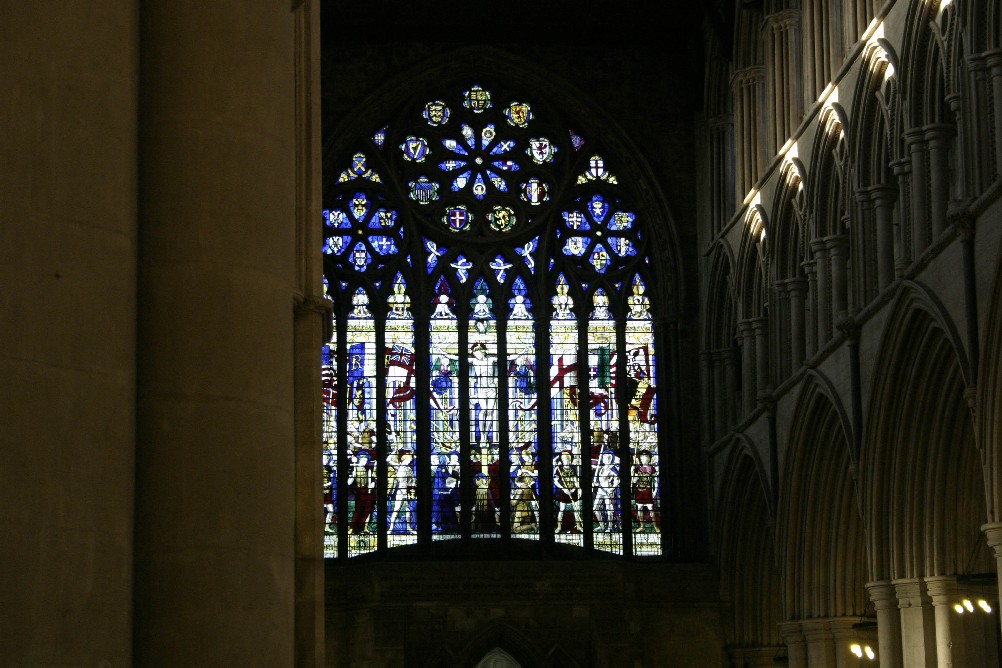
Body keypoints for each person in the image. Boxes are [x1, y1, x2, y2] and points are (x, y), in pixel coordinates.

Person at [387, 449, 416, 534]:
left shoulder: (410, 470)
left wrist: (411, 492)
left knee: (408, 510)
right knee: (396, 509)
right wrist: (393, 452)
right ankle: (390, 529)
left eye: (410, 460)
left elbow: (412, 482)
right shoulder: (397, 466)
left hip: (407, 492)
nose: (409, 461)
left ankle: (409, 528)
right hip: (400, 491)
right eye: (408, 459)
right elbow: (387, 460)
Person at [553, 449, 582, 533]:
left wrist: (575, 489)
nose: (567, 461)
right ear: (562, 460)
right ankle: (559, 527)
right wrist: (564, 489)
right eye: (565, 460)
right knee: (561, 510)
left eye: (568, 460)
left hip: (573, 491)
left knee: (576, 509)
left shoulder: (573, 469)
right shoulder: (559, 469)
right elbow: (556, 481)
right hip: (564, 492)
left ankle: (579, 526)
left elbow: (575, 481)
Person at [347, 450, 375, 534]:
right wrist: (353, 475)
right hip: (360, 492)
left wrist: (372, 485)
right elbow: (349, 482)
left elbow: (370, 481)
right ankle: (352, 528)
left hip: (368, 492)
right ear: (359, 459)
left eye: (366, 460)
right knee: (358, 510)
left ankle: (365, 527)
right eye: (363, 460)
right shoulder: (355, 468)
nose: (365, 462)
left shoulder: (368, 470)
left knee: (368, 510)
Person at [632, 450, 659, 533]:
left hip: (647, 490)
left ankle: (655, 526)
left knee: (650, 508)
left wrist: (655, 491)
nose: (643, 460)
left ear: (648, 459)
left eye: (645, 458)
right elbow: (634, 481)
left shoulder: (651, 468)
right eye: (642, 459)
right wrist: (632, 471)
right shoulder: (637, 469)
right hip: (639, 491)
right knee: (639, 508)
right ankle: (642, 526)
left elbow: (655, 480)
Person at [592, 449, 619, 533]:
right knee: (595, 508)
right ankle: (602, 526)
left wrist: (612, 488)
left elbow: (617, 480)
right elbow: (600, 480)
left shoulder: (612, 469)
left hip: (608, 490)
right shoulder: (601, 468)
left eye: (607, 458)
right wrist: (595, 483)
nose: (605, 459)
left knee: (609, 509)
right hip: (600, 490)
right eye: (604, 458)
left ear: (611, 459)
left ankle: (610, 527)